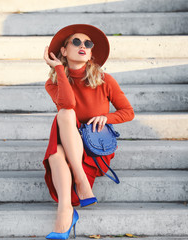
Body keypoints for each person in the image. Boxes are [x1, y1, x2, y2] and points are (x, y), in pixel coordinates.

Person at [43, 24, 134, 239]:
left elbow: (128, 112)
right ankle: (68, 208)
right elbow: (68, 102)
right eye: (76, 42)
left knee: (60, 133)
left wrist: (107, 117)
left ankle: (72, 198)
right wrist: (58, 69)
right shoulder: (53, 82)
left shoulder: (105, 80)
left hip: (93, 148)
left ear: (91, 52)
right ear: (63, 51)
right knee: (64, 120)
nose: (82, 45)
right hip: (69, 142)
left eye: (88, 43)